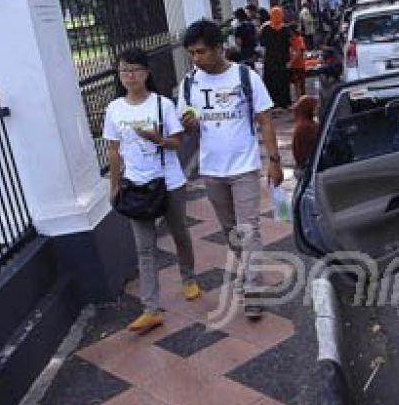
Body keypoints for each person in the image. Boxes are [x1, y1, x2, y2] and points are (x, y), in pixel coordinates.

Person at [177, 20, 284, 319]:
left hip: (244, 167)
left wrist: (274, 162)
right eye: (191, 54)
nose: (196, 59)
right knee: (230, 231)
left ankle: (253, 289)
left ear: (218, 48)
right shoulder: (189, 83)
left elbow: (265, 120)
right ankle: (249, 271)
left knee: (248, 229)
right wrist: (189, 125)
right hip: (212, 169)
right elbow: (187, 122)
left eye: (200, 53)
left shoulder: (244, 77)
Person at [104, 47, 196, 334]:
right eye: (124, 70)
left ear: (146, 72)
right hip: (135, 186)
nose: (129, 75)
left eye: (135, 69)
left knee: (179, 232)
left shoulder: (162, 105)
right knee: (144, 249)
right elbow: (113, 151)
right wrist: (115, 185)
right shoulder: (114, 108)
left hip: (168, 182)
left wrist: (158, 139)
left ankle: (189, 278)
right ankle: (151, 309)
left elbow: (177, 142)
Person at [259, 6, 293, 109]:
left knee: (271, 81)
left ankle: (272, 102)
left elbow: (262, 44)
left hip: (270, 59)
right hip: (282, 59)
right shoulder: (286, 29)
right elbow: (290, 44)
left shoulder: (265, 28)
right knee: (283, 81)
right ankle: (284, 102)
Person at [291, 95, 319, 173]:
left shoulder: (305, 123)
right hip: (308, 168)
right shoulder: (306, 127)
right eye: (315, 107)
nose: (317, 109)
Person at [288, 27, 308, 101]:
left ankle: (303, 100)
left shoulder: (299, 39)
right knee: (296, 83)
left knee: (301, 84)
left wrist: (291, 62)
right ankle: (298, 99)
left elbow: (299, 52)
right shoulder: (289, 40)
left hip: (300, 65)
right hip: (294, 66)